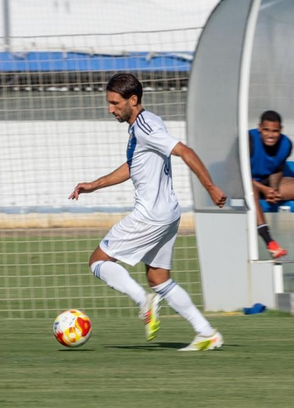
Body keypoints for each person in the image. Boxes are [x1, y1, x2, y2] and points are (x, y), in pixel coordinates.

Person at [71, 72, 228, 351]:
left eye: (115, 103)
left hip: (150, 215)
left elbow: (185, 152)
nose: (111, 109)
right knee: (158, 278)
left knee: (98, 261)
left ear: (133, 99)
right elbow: (134, 166)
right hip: (169, 213)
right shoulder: (148, 122)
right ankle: (207, 333)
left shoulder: (144, 128)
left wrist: (211, 187)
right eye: (109, 103)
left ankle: (143, 302)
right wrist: (94, 185)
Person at [247, 110, 294, 260]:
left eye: (275, 131)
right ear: (259, 128)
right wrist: (264, 189)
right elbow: (238, 175)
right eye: (266, 130)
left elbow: (277, 169)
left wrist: (273, 189)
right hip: (245, 183)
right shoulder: (249, 141)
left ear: (281, 130)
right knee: (252, 189)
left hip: (265, 183)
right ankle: (270, 243)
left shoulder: (286, 144)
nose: (270, 135)